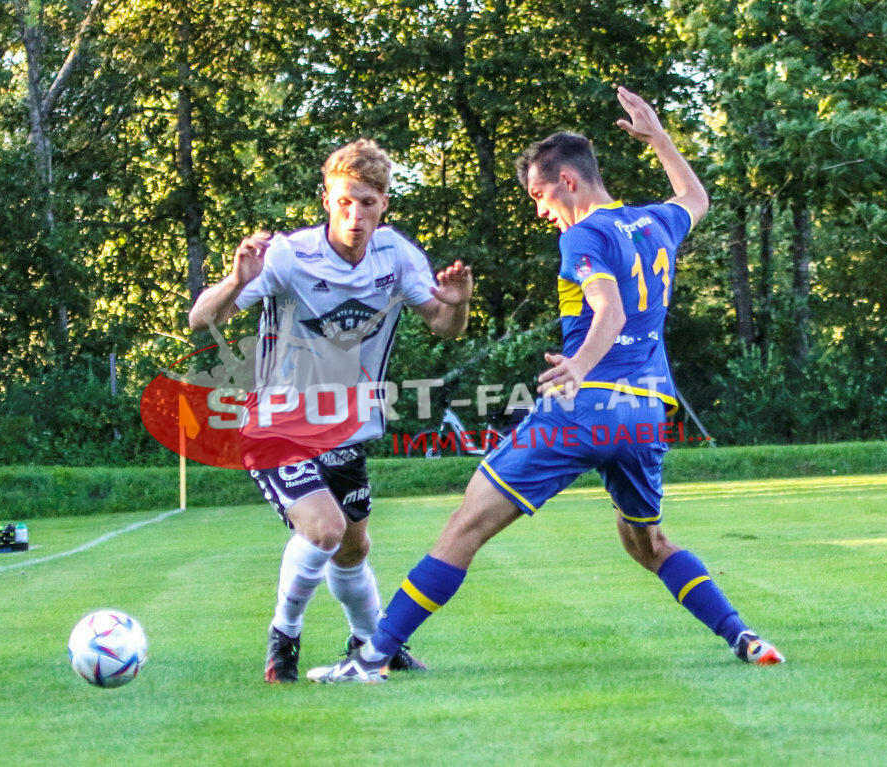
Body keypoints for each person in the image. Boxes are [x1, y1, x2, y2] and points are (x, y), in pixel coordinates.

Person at [306, 88, 784, 684]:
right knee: (649, 543)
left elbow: (606, 311)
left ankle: (371, 658)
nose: (539, 210)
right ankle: (743, 636)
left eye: (539, 194)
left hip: (586, 409)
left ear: (567, 180)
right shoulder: (656, 221)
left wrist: (580, 368)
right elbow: (697, 197)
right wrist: (659, 138)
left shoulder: (583, 236)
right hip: (646, 416)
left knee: (465, 527)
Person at [188, 138, 473, 683]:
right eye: (345, 200)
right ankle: (284, 638)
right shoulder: (289, 255)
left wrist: (458, 304)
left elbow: (443, 325)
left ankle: (374, 645)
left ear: (384, 204)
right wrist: (237, 280)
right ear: (327, 200)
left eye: (367, 202)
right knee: (324, 529)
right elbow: (202, 319)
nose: (356, 213)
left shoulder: (397, 256)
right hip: (276, 428)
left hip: (346, 431)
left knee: (352, 546)